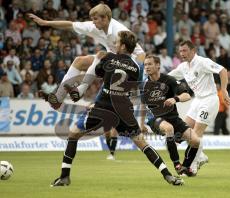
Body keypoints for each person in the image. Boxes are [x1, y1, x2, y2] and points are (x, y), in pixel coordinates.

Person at [50, 31, 183, 187]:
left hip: (103, 107)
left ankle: (64, 177)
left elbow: (95, 73)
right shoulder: (136, 67)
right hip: (123, 110)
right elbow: (132, 91)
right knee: (143, 144)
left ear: (123, 46)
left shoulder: (108, 58)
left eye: (118, 42)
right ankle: (167, 175)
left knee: (73, 134)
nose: (115, 44)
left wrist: (84, 86)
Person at [28, 3, 145, 109]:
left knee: (101, 54)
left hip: (128, 68)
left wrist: (135, 80)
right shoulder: (94, 27)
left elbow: (141, 54)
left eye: (95, 19)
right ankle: (58, 98)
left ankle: (80, 91)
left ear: (105, 18)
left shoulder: (119, 31)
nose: (93, 22)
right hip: (112, 62)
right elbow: (70, 25)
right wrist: (46, 23)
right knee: (79, 61)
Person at [168, 40, 230, 173]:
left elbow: (223, 70)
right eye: (180, 51)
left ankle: (193, 165)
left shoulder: (202, 62)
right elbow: (168, 77)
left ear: (193, 50)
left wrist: (224, 90)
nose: (182, 54)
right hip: (197, 100)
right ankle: (200, 155)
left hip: (209, 100)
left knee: (195, 135)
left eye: (185, 50)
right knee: (181, 133)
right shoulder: (183, 67)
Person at [140, 55, 200, 176]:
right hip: (155, 119)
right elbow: (142, 105)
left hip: (173, 118)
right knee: (169, 129)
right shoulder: (144, 85)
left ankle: (185, 167)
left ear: (158, 65)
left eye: (150, 64)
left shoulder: (169, 80)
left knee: (195, 141)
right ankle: (177, 164)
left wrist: (175, 99)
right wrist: (141, 124)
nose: (147, 67)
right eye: (145, 64)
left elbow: (187, 95)